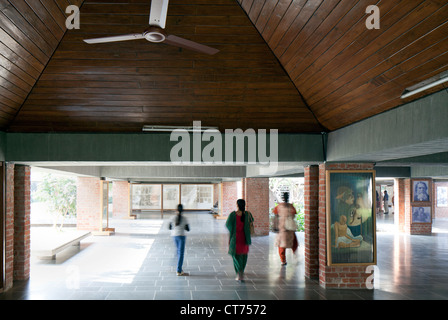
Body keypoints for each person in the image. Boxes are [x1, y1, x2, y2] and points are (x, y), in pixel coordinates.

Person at [225, 199, 253, 282]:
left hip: (236, 238)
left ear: (237, 205)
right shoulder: (248, 214)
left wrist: (233, 230)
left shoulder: (233, 215)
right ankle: (241, 271)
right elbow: (251, 222)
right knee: (244, 256)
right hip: (245, 238)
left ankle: (239, 272)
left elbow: (228, 225)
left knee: (236, 256)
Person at [273, 192, 298, 266]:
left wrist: (275, 226)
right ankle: (290, 258)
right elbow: (294, 215)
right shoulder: (291, 206)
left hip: (283, 228)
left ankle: (283, 261)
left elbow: (275, 216)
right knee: (292, 243)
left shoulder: (279, 207)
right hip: (288, 228)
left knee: (282, 245)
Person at [169, 204, 190, 276]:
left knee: (178, 251)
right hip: (181, 236)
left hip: (174, 236)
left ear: (176, 210)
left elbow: (169, 227)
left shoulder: (172, 217)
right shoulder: (185, 218)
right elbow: (188, 229)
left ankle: (179, 267)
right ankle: (179, 270)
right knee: (181, 253)